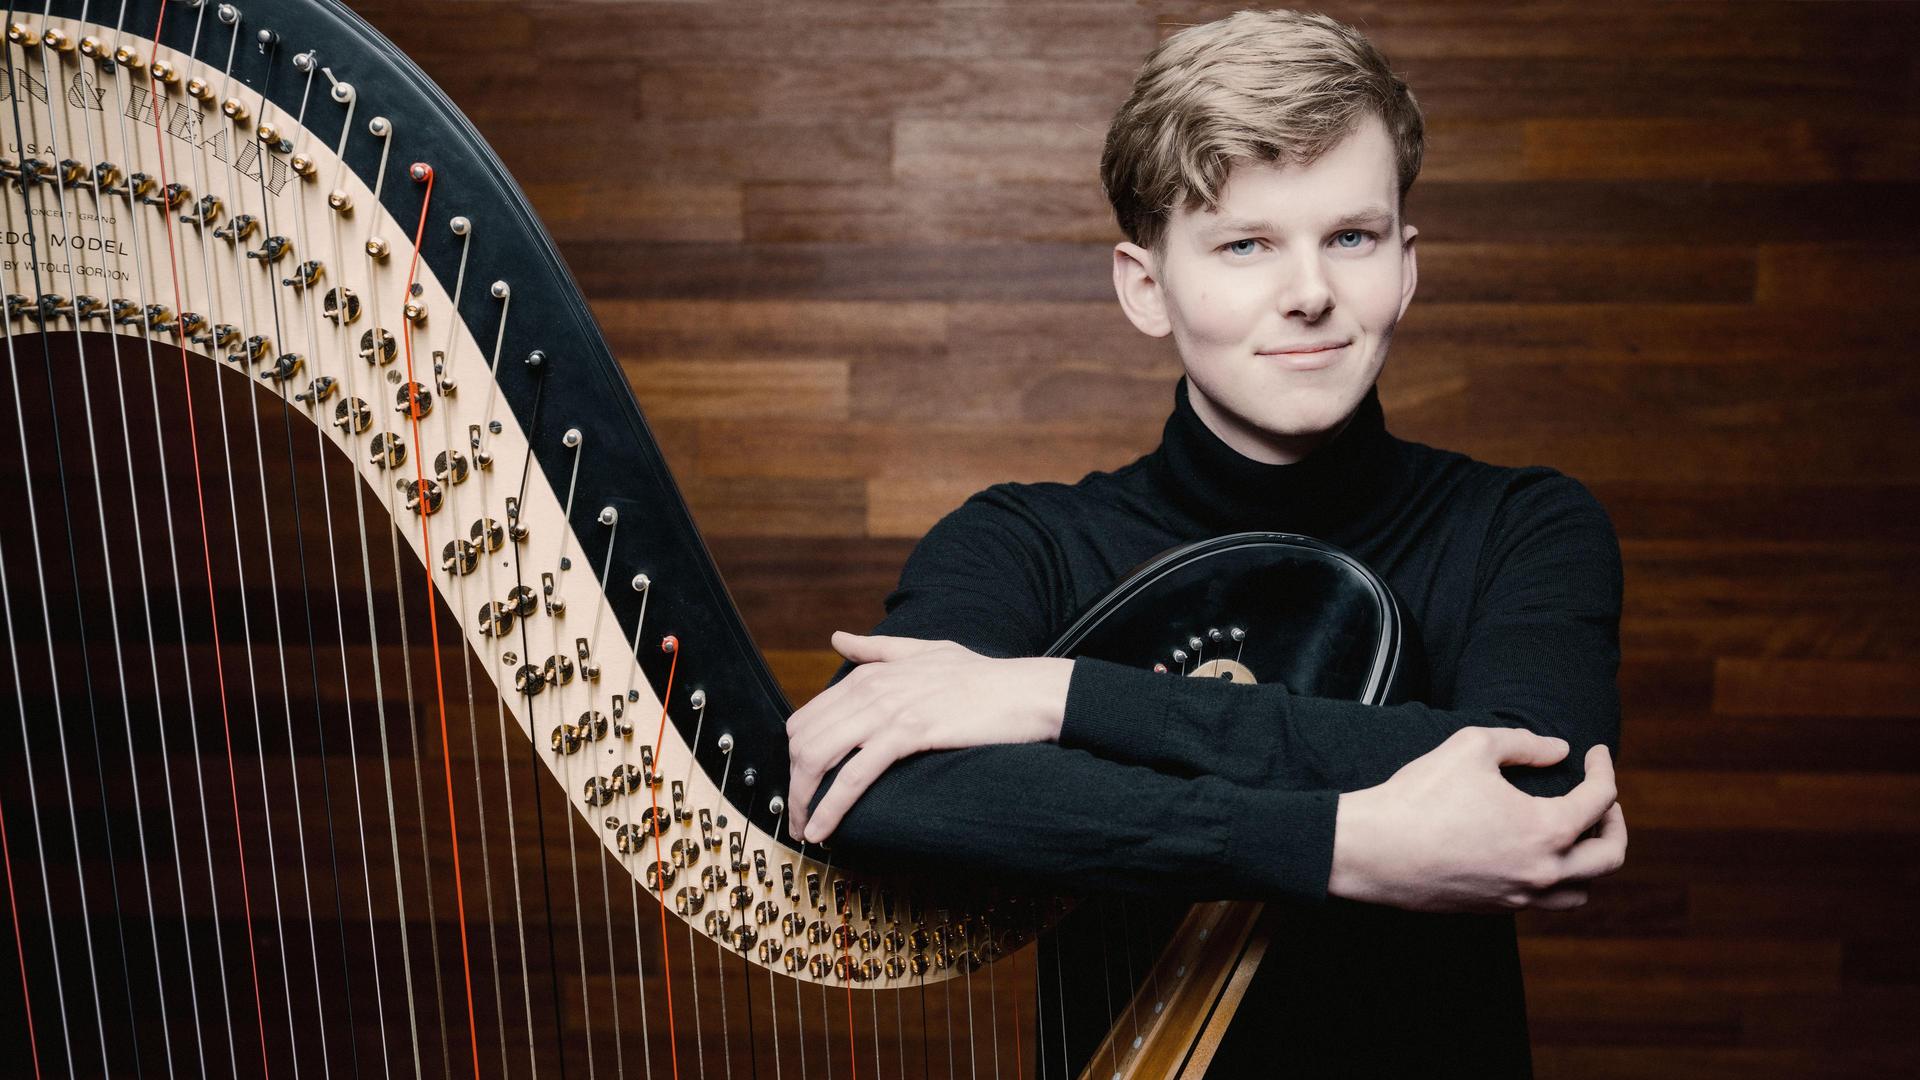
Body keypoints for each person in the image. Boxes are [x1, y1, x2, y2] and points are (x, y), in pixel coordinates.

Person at [783, 9, 1626, 1074]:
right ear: (1147, 286)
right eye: (1245, 245)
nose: (1312, 292)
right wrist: (1332, 847)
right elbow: (884, 792)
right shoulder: (1026, 543)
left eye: (1351, 238)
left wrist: (1058, 698)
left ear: (1406, 267)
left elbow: (1542, 786)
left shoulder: (1523, 525)